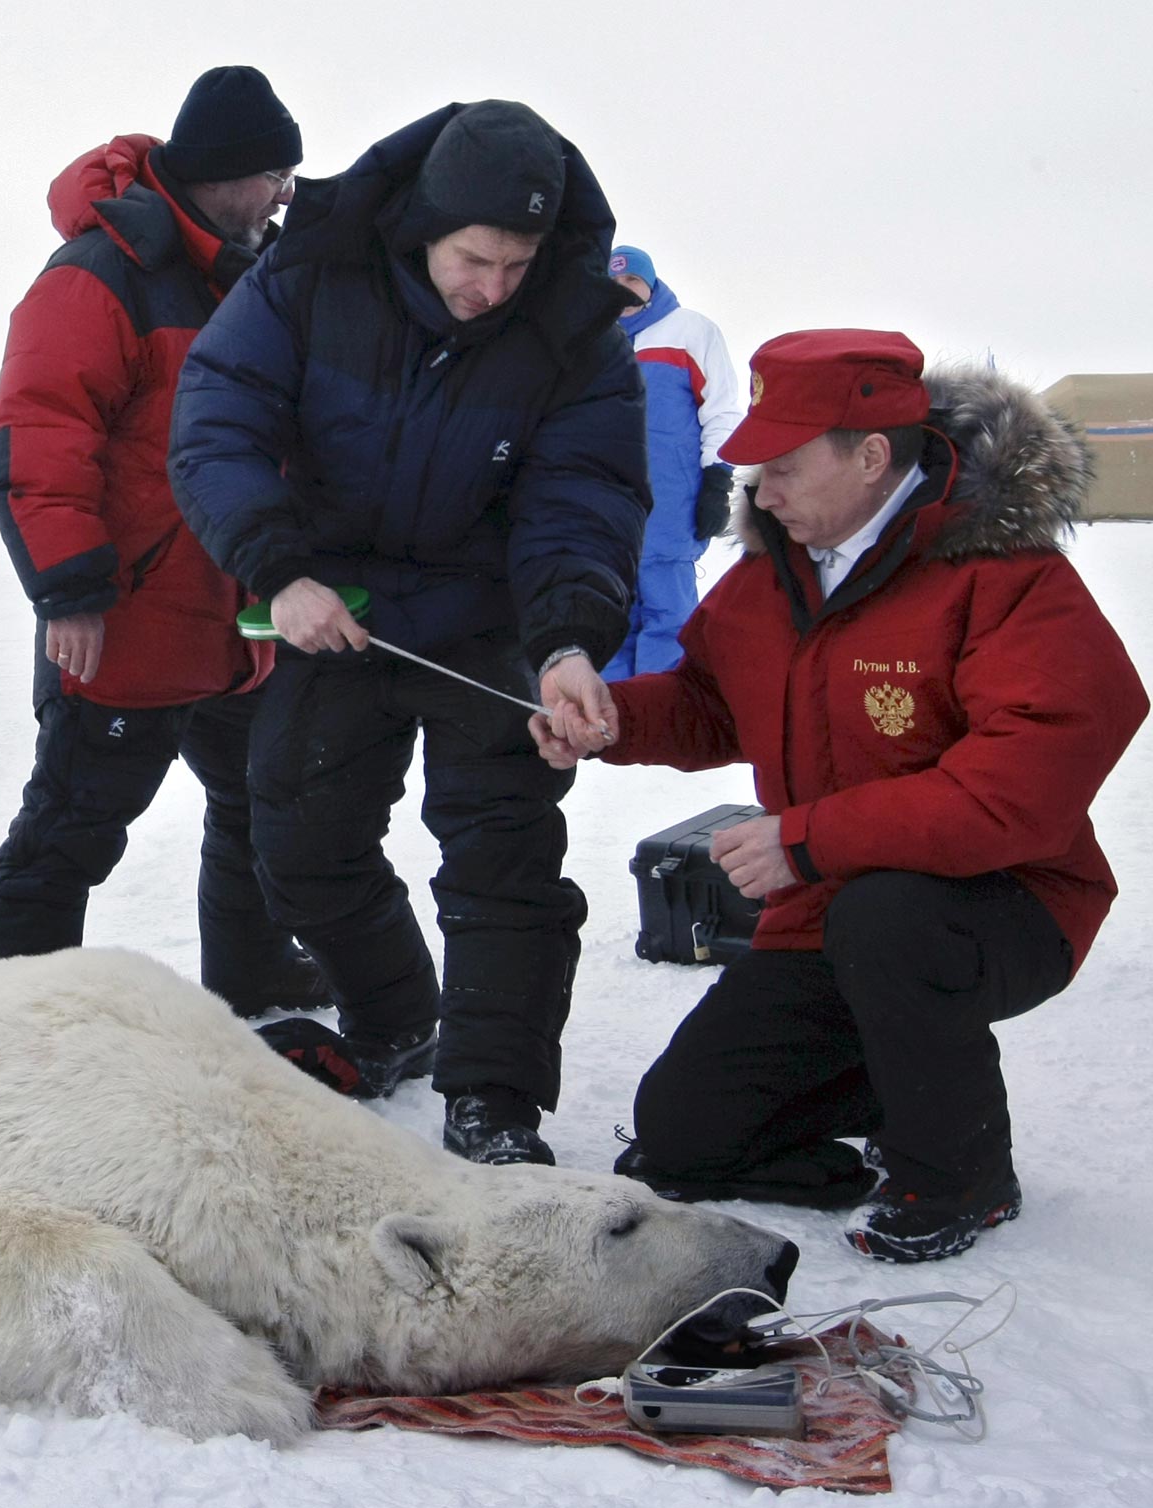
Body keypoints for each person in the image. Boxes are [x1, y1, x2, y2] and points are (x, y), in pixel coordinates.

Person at [532, 330, 1147, 1261]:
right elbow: (707, 703)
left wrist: (808, 839)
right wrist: (612, 718)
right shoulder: (768, 576)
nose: (759, 492)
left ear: (870, 457)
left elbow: (1023, 785)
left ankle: (960, 1175)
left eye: (781, 467)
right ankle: (892, 1076)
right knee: (682, 1138)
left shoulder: (1008, 578)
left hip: (1008, 907)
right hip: (828, 910)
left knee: (889, 916)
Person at [168, 100, 650, 1163]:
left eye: (517, 264)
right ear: (425, 224)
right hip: (340, 604)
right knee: (294, 835)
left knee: (503, 862)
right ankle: (395, 1018)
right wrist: (277, 568)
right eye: (476, 258)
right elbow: (217, 419)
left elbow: (583, 498)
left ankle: (493, 1100)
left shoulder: (572, 326)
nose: (493, 288)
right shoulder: (310, 273)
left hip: (493, 615)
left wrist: (567, 642)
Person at [0, 65, 329, 1019]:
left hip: (238, 620)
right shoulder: (100, 274)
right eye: (276, 174)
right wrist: (70, 592)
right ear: (226, 173)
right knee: (71, 831)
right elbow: (40, 437)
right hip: (127, 619)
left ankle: (253, 973)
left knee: (260, 810)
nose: (288, 193)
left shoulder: (253, 277)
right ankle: (16, 1015)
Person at [601, 245, 743, 678]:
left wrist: (718, 481)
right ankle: (616, 729)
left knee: (669, 617)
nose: (623, 291)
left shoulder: (689, 331)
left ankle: (666, 724)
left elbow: (720, 410)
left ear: (650, 284)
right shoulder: (589, 341)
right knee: (609, 617)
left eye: (632, 281)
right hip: (606, 508)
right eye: (613, 284)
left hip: (671, 506)